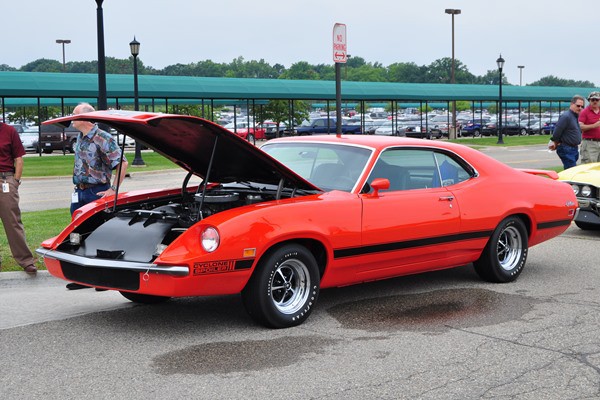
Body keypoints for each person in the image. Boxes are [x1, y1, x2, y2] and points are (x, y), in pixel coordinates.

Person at [67, 103, 128, 289]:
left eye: (74, 113)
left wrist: (113, 189)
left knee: (99, 234)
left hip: (96, 192)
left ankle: (102, 279)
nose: (71, 116)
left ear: (84, 118)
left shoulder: (103, 138)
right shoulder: (80, 136)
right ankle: (83, 277)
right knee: (78, 234)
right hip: (80, 192)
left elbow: (122, 163)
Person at [0, 122, 37, 275]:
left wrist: (15, 181)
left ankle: (26, 261)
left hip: (5, 179)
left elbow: (19, 159)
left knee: (13, 222)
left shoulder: (9, 130)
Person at [549, 95, 585, 169]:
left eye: (582, 106)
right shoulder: (566, 116)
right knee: (571, 170)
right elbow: (557, 131)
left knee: (570, 170)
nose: (580, 108)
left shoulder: (575, 116)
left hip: (573, 148)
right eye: (578, 106)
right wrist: (555, 142)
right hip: (566, 148)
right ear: (572, 104)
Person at [578, 91, 600, 164]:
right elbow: (580, 127)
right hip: (589, 143)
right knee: (589, 167)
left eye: (597, 100)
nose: (595, 101)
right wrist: (594, 125)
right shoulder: (584, 112)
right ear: (589, 100)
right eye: (592, 100)